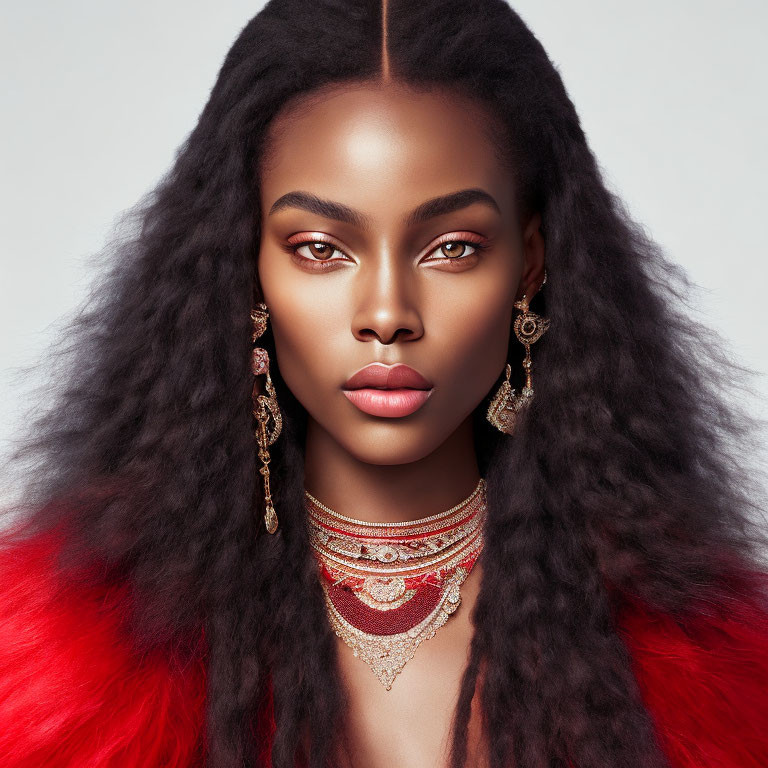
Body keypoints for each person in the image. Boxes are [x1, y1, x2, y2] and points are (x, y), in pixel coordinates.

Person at [1, 1, 767, 767]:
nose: (387, 314)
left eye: (453, 247)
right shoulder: (67, 656)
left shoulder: (713, 674)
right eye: (321, 248)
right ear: (244, 264)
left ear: (530, 262)